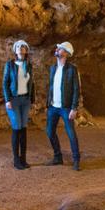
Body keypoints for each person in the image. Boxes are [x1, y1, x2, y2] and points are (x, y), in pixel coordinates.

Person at [45, 41, 81, 171]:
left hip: (66, 107)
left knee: (71, 133)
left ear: (65, 53)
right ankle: (58, 157)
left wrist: (74, 108)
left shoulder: (72, 69)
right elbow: (51, 87)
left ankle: (76, 160)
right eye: (57, 48)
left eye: (60, 49)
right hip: (53, 107)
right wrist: (48, 104)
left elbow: (76, 90)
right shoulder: (53, 68)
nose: (57, 49)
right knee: (49, 131)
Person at [3, 40, 34, 170]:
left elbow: (32, 83)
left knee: (24, 128)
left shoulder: (29, 65)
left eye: (23, 47)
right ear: (15, 50)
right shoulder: (10, 65)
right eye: (19, 47)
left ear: (26, 50)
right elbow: (5, 83)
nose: (21, 49)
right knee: (16, 127)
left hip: (25, 100)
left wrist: (32, 100)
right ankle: (16, 160)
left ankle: (23, 159)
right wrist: (7, 100)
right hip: (14, 100)